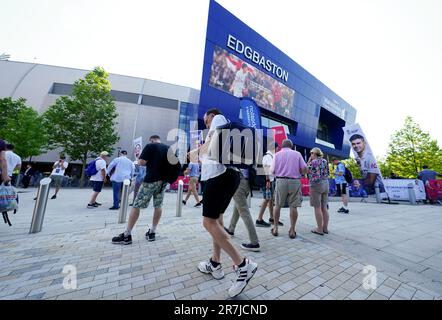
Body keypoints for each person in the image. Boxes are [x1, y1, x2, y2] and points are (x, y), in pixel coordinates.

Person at [190, 108, 257, 298]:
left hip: (218, 175)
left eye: (206, 120)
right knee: (217, 222)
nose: (206, 124)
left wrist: (194, 151)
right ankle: (215, 263)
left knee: (208, 222)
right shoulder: (223, 127)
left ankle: (243, 265)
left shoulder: (219, 119)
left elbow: (209, 147)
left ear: (212, 116)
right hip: (228, 175)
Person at [112, 135, 170, 244]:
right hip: (162, 182)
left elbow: (142, 162)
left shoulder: (150, 146)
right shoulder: (167, 148)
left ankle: (127, 235)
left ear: (152, 140)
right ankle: (152, 232)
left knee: (136, 205)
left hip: (150, 181)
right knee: (158, 206)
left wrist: (138, 161)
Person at [270, 139, 307, 239]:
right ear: (291, 146)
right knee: (293, 206)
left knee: (277, 205)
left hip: (281, 181)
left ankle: (275, 228)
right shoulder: (297, 154)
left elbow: (272, 170)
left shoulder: (277, 155)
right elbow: (304, 169)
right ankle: (292, 230)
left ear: (282, 146)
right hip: (295, 181)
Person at [225, 168, 261, 252]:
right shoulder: (249, 155)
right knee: (238, 207)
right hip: (247, 182)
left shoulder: (236, 155)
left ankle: (254, 242)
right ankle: (231, 229)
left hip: (239, 183)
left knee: (244, 212)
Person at [255, 143, 283, 228]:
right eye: (277, 149)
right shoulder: (268, 156)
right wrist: (267, 180)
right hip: (267, 181)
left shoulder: (269, 156)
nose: (277, 150)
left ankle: (272, 218)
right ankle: (259, 220)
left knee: (270, 200)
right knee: (266, 199)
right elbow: (266, 168)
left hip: (269, 180)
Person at [307, 148, 330, 235]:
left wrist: (309, 161)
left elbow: (305, 170)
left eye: (311, 154)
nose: (310, 155)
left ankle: (319, 229)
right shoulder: (325, 161)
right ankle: (325, 228)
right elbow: (328, 171)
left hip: (316, 185)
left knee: (317, 207)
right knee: (324, 207)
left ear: (314, 153)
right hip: (325, 183)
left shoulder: (313, 162)